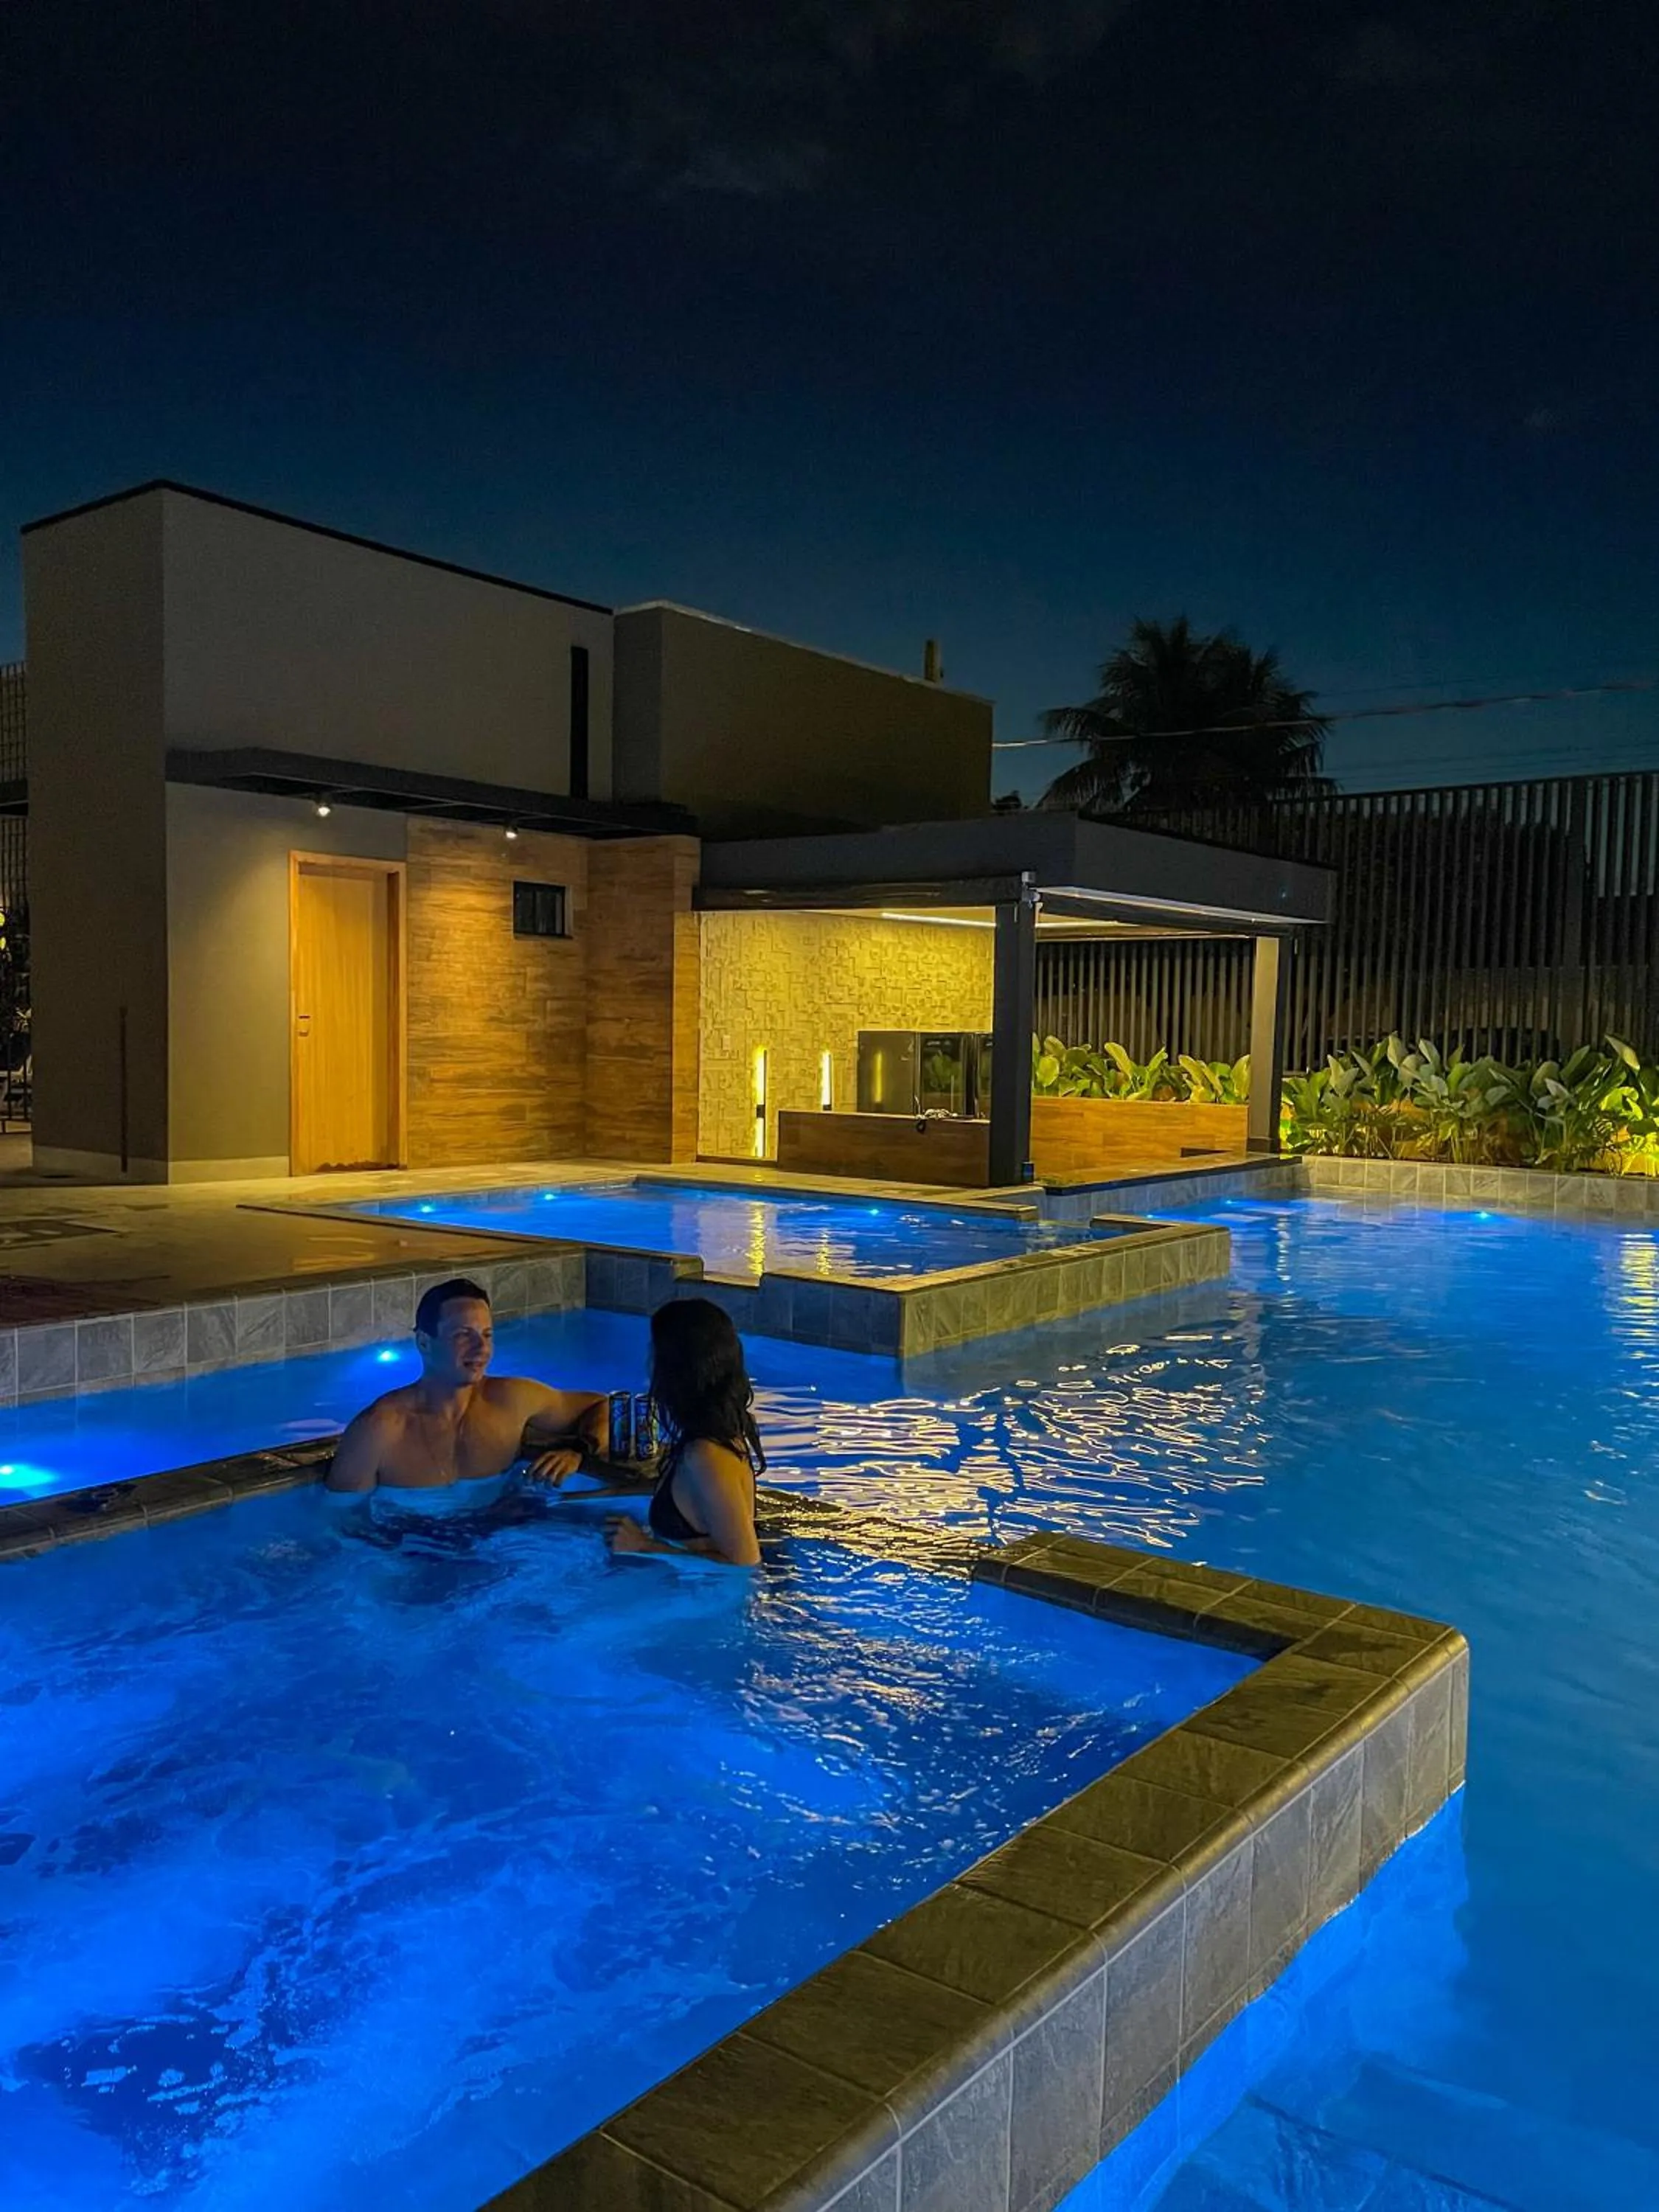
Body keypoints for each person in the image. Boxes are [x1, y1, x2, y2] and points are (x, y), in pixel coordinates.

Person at [326, 1277, 607, 1507]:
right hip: (410, 1549)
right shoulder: (378, 1430)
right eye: (463, 1335)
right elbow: (341, 1525)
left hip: (503, 1541)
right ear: (424, 1343)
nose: (481, 1349)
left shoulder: (512, 1400)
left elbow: (602, 1406)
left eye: (487, 1335)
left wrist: (578, 1450)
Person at [605, 1298, 764, 1567]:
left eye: (655, 1352)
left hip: (710, 1602)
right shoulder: (712, 1437)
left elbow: (745, 1562)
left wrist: (644, 1546)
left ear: (675, 1368)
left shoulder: (707, 1456)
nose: (649, 1361)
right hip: (692, 1591)